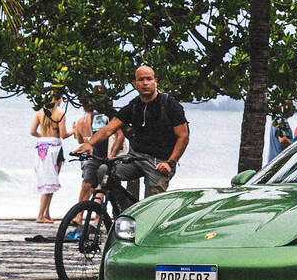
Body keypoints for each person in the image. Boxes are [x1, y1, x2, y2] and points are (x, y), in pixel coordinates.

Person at [75, 65, 188, 198]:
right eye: (141, 79)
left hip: (159, 162)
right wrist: (89, 144)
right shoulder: (134, 106)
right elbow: (108, 129)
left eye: (149, 79)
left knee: (151, 205)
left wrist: (171, 162)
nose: (145, 83)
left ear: (155, 81)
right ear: (135, 84)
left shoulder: (169, 104)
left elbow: (183, 137)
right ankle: (123, 209)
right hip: (136, 157)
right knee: (104, 171)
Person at [72, 103, 125, 221]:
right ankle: (79, 216)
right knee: (86, 184)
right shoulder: (92, 116)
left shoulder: (112, 115)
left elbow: (120, 136)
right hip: (95, 155)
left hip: (108, 156)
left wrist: (112, 154)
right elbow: (89, 136)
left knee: (101, 186)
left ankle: (98, 217)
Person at [30, 89, 72, 223]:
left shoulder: (39, 113)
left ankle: (46, 213)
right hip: (55, 147)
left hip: (42, 147)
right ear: (59, 99)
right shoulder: (60, 114)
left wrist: (42, 136)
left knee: (46, 179)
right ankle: (41, 215)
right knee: (50, 181)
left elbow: (32, 131)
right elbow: (64, 135)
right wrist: (74, 131)